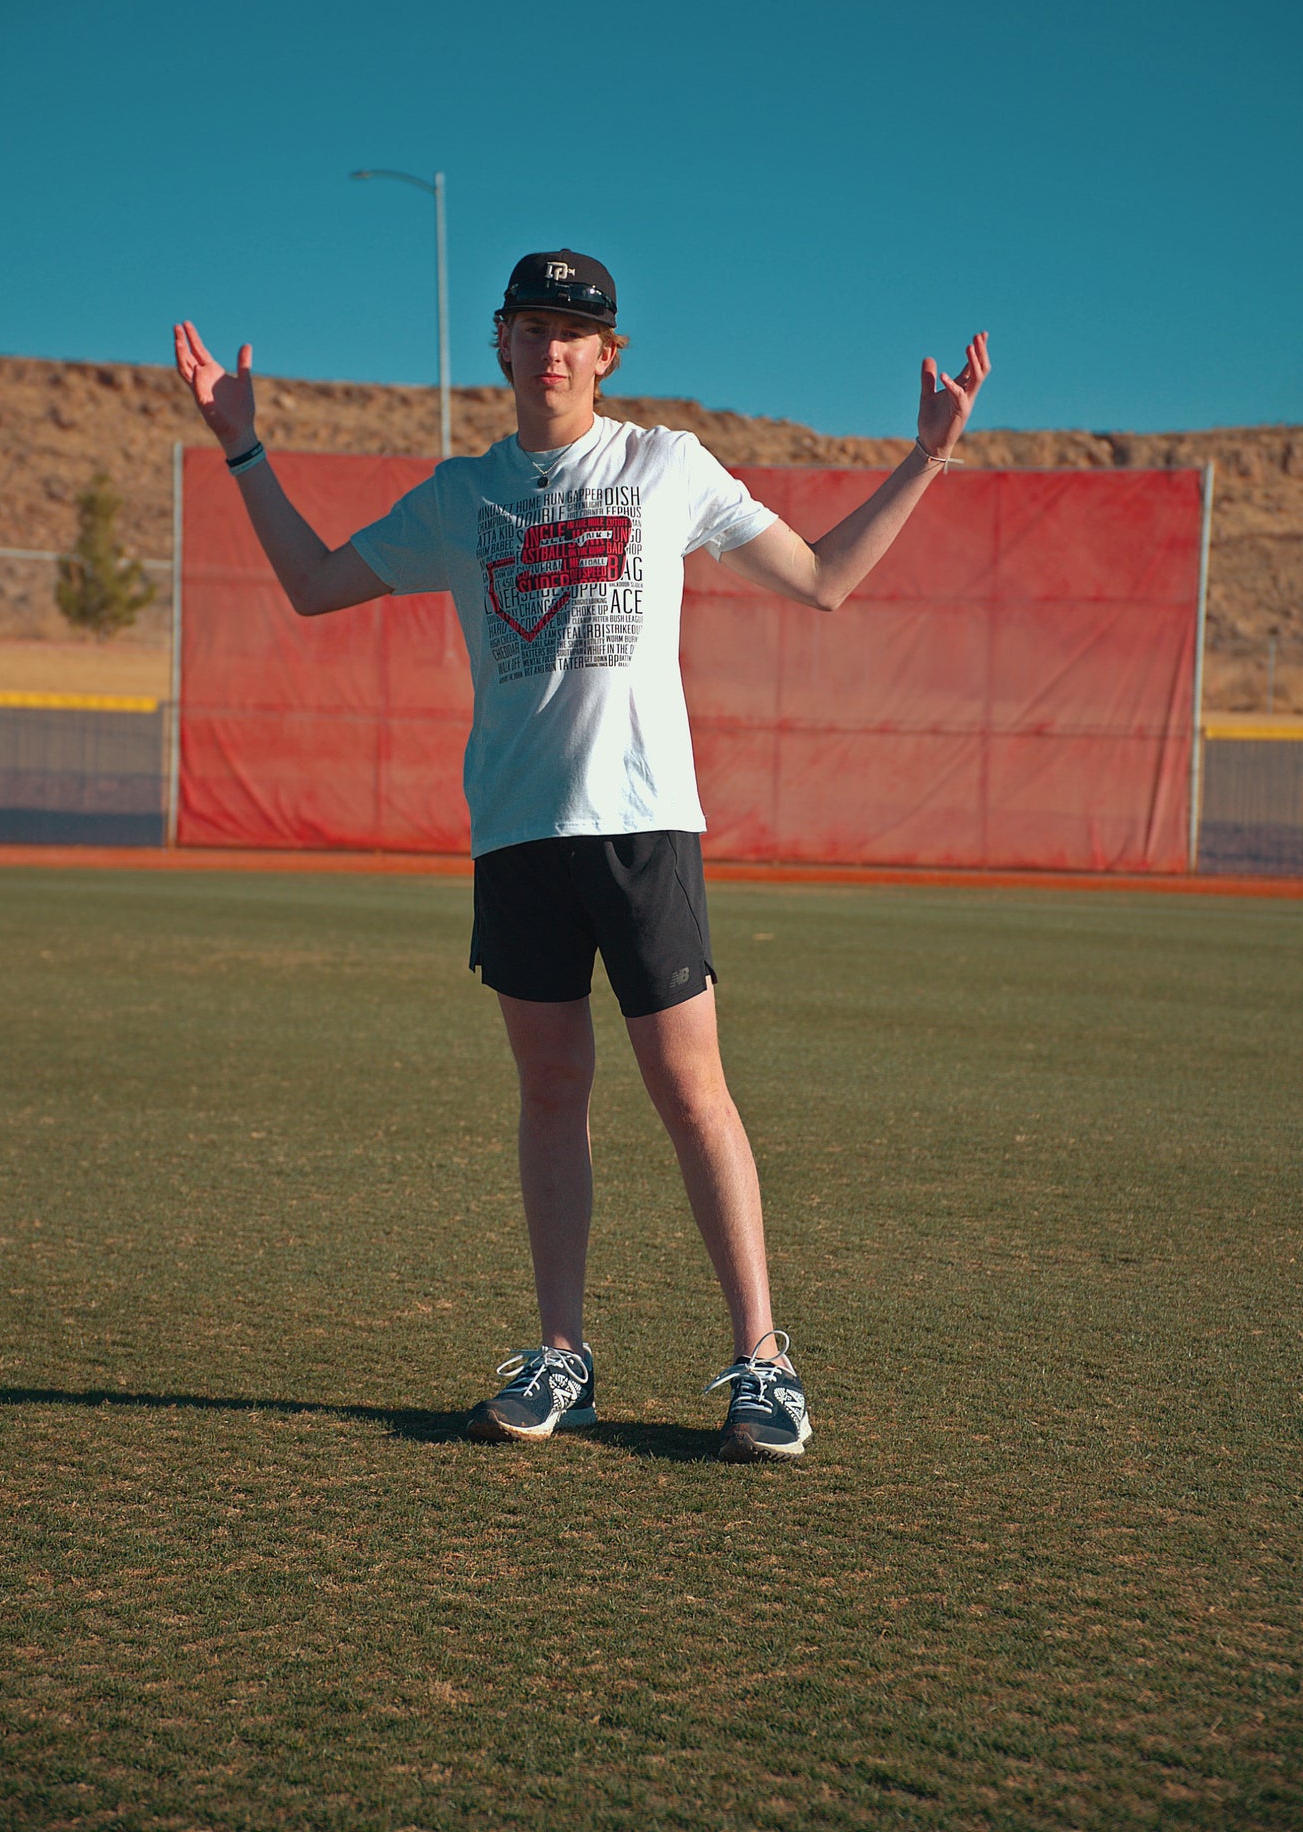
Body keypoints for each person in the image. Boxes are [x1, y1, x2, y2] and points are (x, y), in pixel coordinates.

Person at [173, 252, 988, 1461]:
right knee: (550, 1090)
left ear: (607, 354)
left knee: (688, 1088)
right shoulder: (461, 496)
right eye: (532, 326)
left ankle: (764, 1360)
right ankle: (565, 1355)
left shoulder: (664, 465)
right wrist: (242, 447)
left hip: (644, 824)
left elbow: (820, 581)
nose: (551, 348)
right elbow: (307, 585)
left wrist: (926, 455)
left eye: (575, 330)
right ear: (500, 342)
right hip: (517, 833)